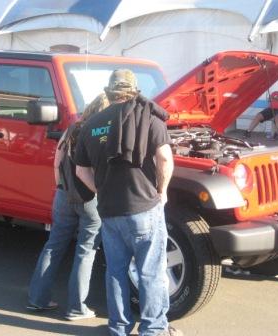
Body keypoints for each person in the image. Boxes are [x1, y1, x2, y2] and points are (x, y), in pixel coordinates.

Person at [75, 69, 182, 336]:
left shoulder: (90, 124)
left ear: (110, 93)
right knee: (151, 273)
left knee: (115, 272)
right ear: (134, 91)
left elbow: (80, 170)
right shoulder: (148, 116)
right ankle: (153, 330)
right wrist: (163, 190)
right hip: (144, 208)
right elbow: (165, 158)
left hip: (110, 212)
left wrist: (100, 190)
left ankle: (119, 328)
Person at [27, 93, 108, 321]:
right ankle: (76, 308)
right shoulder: (100, 133)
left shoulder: (72, 129)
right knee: (86, 251)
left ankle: (37, 299)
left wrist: (60, 187)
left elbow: (56, 162)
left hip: (63, 195)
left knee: (54, 245)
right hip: (90, 199)